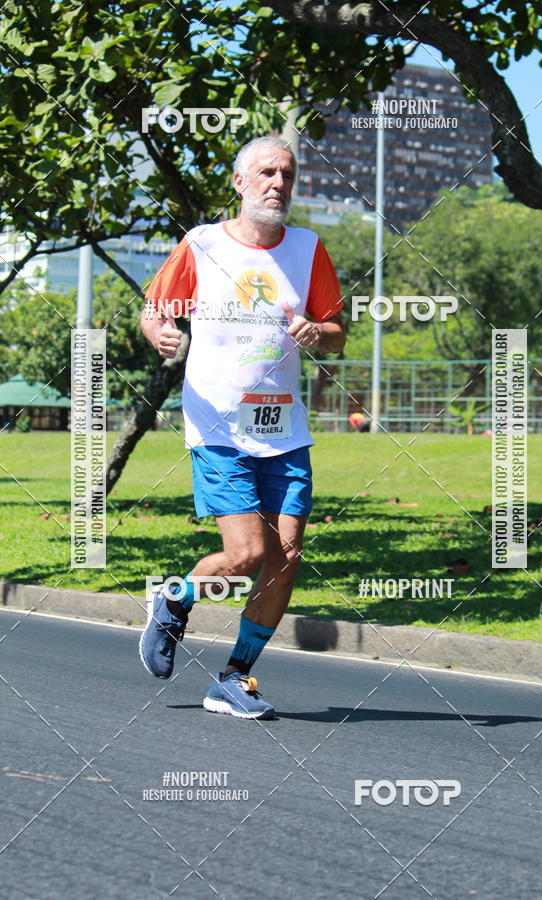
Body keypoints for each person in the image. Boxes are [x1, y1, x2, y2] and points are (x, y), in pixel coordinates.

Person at [138, 135, 345, 719]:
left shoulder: (308, 249)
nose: (278, 183)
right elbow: (153, 313)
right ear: (240, 183)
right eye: (266, 173)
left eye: (287, 174)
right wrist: (161, 334)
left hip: (283, 428)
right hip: (220, 426)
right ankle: (173, 598)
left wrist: (315, 333)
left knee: (286, 556)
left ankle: (232, 678)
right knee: (245, 553)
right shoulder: (201, 246)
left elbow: (336, 331)